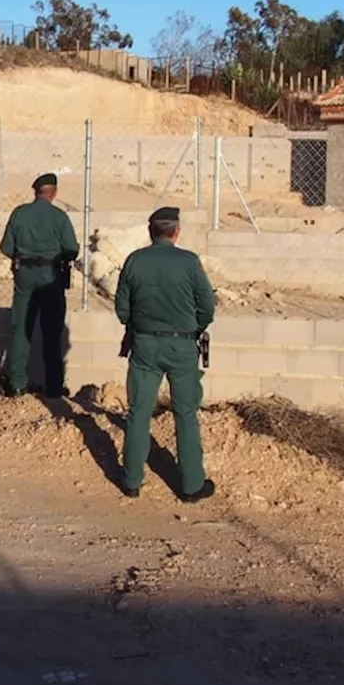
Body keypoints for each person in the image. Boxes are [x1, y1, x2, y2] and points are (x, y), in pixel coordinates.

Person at [114, 206, 216, 503]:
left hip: (144, 344)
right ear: (176, 231)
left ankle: (131, 480)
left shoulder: (135, 260)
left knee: (138, 413)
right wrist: (194, 327)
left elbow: (122, 308)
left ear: (151, 231)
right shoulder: (189, 262)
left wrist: (139, 326)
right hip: (181, 345)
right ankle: (192, 485)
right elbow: (207, 306)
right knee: (185, 413)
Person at [0, 173, 79, 398]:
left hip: (24, 275)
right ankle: (53, 386)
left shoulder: (20, 214)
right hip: (50, 277)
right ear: (54, 193)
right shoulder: (59, 217)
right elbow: (72, 249)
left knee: (21, 328)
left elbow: (6, 246)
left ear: (36, 191)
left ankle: (16, 384)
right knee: (52, 330)